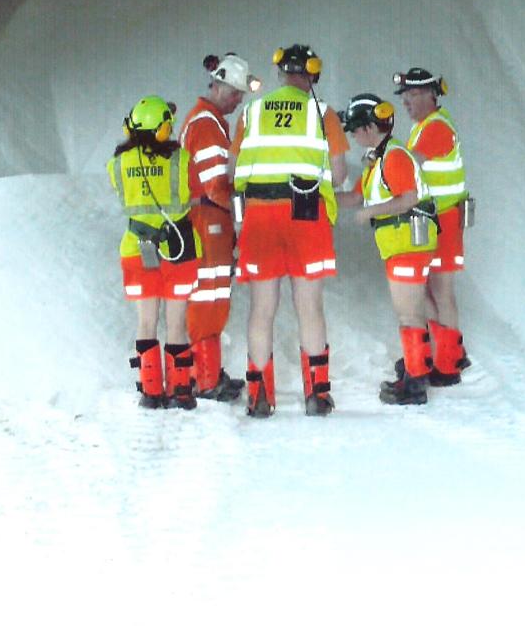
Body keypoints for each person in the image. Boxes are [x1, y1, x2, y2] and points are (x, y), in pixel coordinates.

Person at [227, 44, 351, 417]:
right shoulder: (323, 112)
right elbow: (341, 174)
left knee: (262, 309)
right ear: (313, 73)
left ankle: (259, 395)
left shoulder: (252, 111)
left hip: (260, 216)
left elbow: (233, 172)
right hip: (306, 214)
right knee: (309, 306)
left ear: (280, 72)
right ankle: (317, 395)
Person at [340, 92, 442, 406]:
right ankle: (418, 365)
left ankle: (414, 383)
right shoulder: (378, 159)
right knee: (412, 310)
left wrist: (371, 213)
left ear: (370, 127)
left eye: (355, 129)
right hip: (401, 243)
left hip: (407, 243)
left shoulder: (394, 157)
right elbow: (356, 197)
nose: (353, 135)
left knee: (409, 313)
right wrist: (322, 200)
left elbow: (408, 198)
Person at [109, 95, 202, 410]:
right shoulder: (181, 159)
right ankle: (181, 391)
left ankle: (151, 393)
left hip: (136, 249)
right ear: (162, 128)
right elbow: (197, 195)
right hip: (178, 248)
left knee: (145, 321)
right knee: (176, 323)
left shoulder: (117, 163)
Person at [181, 51, 256, 402]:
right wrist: (245, 213)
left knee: (211, 298)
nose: (239, 100)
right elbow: (215, 186)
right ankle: (203, 379)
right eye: (235, 93)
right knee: (208, 299)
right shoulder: (207, 125)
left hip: (209, 221)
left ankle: (207, 374)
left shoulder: (208, 121)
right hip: (208, 221)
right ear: (219, 84)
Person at [396, 66, 471, 384]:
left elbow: (410, 163)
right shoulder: (426, 125)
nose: (407, 102)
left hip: (444, 220)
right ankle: (445, 354)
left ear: (431, 95)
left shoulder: (436, 128)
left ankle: (448, 362)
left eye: (413, 95)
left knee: (440, 292)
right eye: (405, 97)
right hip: (437, 219)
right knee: (431, 291)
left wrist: (385, 160)